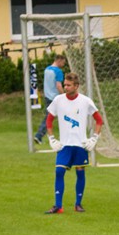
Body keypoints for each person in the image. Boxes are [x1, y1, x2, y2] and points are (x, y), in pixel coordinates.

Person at [44, 72, 103, 214]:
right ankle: (58, 206)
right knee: (59, 171)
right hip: (64, 145)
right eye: (65, 84)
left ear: (76, 86)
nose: (65, 87)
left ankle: (78, 204)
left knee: (80, 172)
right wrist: (52, 139)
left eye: (69, 85)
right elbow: (49, 120)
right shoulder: (58, 100)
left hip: (80, 145)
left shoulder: (85, 101)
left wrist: (94, 138)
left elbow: (99, 120)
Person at [34, 54, 66, 145]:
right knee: (50, 117)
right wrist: (64, 95)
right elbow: (58, 85)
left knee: (55, 116)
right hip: (55, 98)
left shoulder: (47, 69)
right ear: (59, 60)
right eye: (63, 63)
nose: (63, 65)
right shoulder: (58, 71)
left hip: (47, 97)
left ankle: (59, 136)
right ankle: (39, 135)